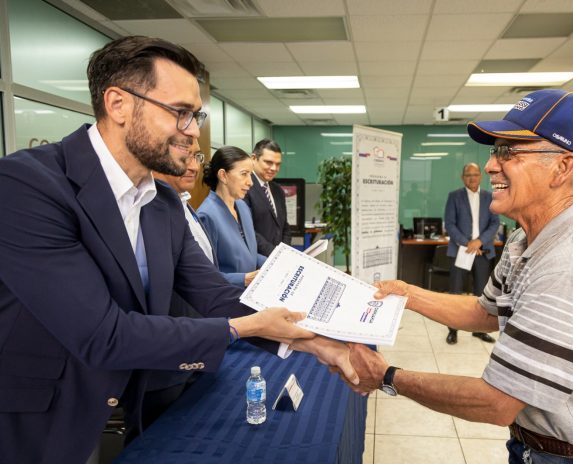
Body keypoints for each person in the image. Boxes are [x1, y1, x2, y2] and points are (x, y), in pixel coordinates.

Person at [0, 36, 355, 464]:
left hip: (130, 410)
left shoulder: (162, 202)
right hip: (41, 421)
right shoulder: (25, 185)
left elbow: (214, 294)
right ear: (118, 104)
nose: (192, 131)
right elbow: (102, 335)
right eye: (180, 112)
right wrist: (241, 329)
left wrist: (315, 339)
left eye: (196, 115)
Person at [343, 89, 573, 462]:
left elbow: (497, 401)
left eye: (508, 152)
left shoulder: (571, 268)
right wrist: (407, 293)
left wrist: (386, 376)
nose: (489, 166)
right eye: (494, 151)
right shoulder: (526, 238)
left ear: (563, 167)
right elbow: (485, 312)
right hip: (533, 445)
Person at [444, 162, 499, 345]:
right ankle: (453, 330)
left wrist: (479, 241)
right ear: (463, 178)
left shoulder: (489, 197)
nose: (472, 178)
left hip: (483, 252)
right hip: (461, 251)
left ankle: (479, 330)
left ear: (480, 177)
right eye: (468, 175)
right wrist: (468, 243)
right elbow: (450, 224)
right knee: (455, 293)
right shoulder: (454, 196)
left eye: (475, 174)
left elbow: (494, 223)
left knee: (481, 294)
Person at [198, 146, 266, 287]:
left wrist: (274, 263)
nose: (250, 182)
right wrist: (243, 279)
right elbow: (203, 275)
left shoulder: (242, 207)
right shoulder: (206, 216)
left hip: (249, 293)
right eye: (244, 174)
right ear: (223, 175)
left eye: (250, 174)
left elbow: (249, 255)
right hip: (227, 296)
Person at [244, 139, 291, 255]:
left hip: (279, 258)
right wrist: (274, 253)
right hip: (257, 258)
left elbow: (284, 226)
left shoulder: (278, 190)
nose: (274, 168)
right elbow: (247, 230)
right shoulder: (244, 188)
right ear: (253, 158)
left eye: (278, 164)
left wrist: (285, 253)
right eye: (269, 162)